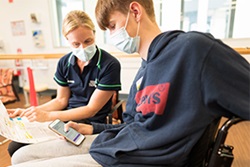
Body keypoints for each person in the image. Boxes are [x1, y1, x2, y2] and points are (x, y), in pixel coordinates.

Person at [10, 0, 249, 166]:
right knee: (21, 156)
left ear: (135, 11)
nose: (113, 36)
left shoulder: (193, 49)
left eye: (112, 26)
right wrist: (92, 129)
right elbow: (132, 125)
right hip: (118, 145)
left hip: (137, 159)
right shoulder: (146, 68)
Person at [7, 10, 121, 157]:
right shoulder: (64, 63)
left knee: (33, 154)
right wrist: (31, 112)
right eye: (76, 43)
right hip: (64, 117)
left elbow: (91, 109)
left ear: (94, 34)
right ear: (67, 40)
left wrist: (48, 116)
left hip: (89, 123)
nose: (83, 48)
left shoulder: (109, 64)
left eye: (88, 41)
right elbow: (61, 100)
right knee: (14, 147)